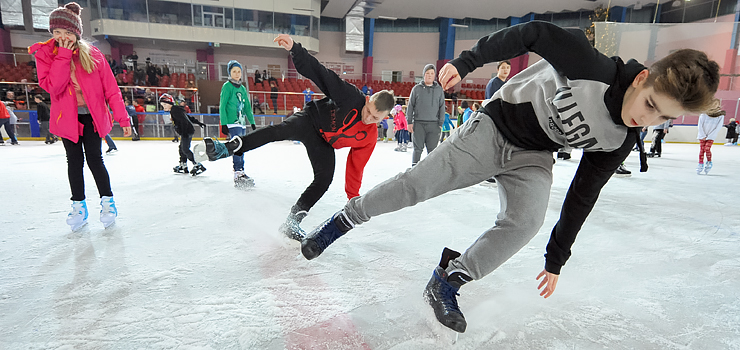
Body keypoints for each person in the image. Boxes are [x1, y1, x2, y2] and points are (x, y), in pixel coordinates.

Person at [299, 21, 721, 333]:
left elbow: (583, 193)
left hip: (533, 156)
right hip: (494, 127)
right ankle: (343, 220)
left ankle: (448, 279)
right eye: (650, 104)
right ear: (643, 78)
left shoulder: (620, 139)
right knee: (419, 183)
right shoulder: (586, 62)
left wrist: (557, 257)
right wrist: (468, 61)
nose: (645, 119)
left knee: (527, 221)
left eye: (661, 117)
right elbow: (533, 34)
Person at [195, 34, 395, 241]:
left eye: (375, 118)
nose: (368, 117)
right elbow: (320, 73)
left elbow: (356, 165)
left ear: (384, 118)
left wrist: (353, 197)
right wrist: (295, 49)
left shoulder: (369, 137)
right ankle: (226, 149)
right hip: (310, 120)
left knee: (324, 179)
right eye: (368, 110)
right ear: (368, 99)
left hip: (324, 142)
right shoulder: (351, 96)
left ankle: (292, 222)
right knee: (278, 131)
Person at [30, 2, 133, 230]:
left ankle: (108, 202)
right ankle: (79, 204)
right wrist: (64, 55)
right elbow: (54, 88)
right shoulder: (46, 54)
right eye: (56, 32)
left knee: (95, 158)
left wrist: (124, 119)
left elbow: (111, 90)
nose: (61, 37)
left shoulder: (93, 54)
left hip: (92, 117)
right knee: (74, 161)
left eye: (67, 32)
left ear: (76, 32)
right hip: (67, 118)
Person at [220, 60, 257, 188]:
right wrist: (223, 123)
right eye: (234, 71)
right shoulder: (227, 86)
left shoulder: (242, 88)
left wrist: (251, 121)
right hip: (232, 122)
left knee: (242, 147)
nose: (237, 74)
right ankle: (237, 172)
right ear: (229, 73)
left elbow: (247, 106)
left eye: (239, 71)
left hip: (241, 123)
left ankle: (241, 171)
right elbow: (222, 105)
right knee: (237, 147)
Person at [407, 63, 445, 167]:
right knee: (417, 149)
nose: (429, 75)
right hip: (418, 124)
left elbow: (442, 107)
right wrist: (409, 122)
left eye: (432, 73)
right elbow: (410, 106)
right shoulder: (416, 89)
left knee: (432, 151)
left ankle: (430, 172)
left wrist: (440, 123)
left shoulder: (439, 90)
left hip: (434, 125)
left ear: (434, 75)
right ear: (424, 75)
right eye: (427, 73)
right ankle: (414, 169)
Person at [161, 93, 206, 176]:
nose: (164, 106)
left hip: (186, 131)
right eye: (162, 105)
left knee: (185, 149)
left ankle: (198, 165)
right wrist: (197, 122)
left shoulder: (175, 111)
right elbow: (187, 117)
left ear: (170, 103)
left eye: (165, 104)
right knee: (182, 148)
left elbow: (184, 121)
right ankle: (183, 165)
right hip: (185, 131)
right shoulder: (175, 110)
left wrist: (184, 133)